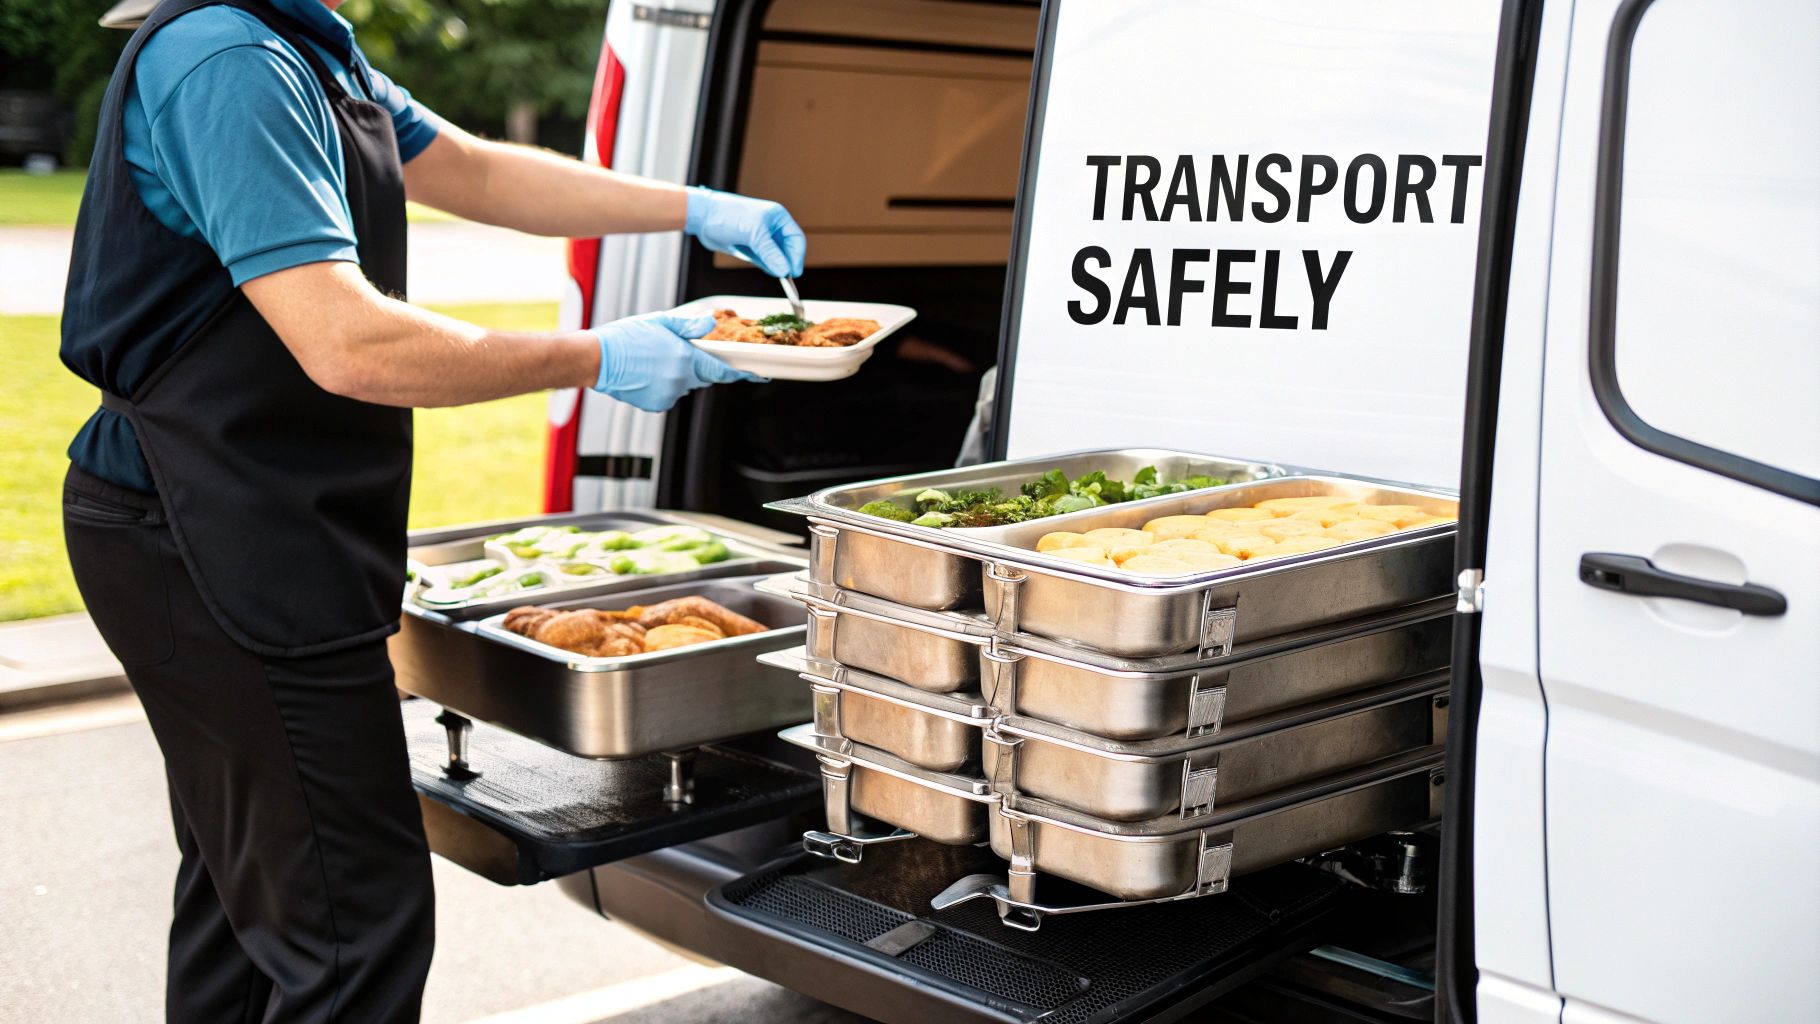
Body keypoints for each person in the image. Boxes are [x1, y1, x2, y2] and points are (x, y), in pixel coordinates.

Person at [56, 0, 805, 1019]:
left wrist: (695, 206)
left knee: (248, 907)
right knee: (351, 932)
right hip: (209, 534)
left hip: (250, 518)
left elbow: (476, 168)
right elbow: (348, 343)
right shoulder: (228, 61)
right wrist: (601, 354)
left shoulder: (304, 45)